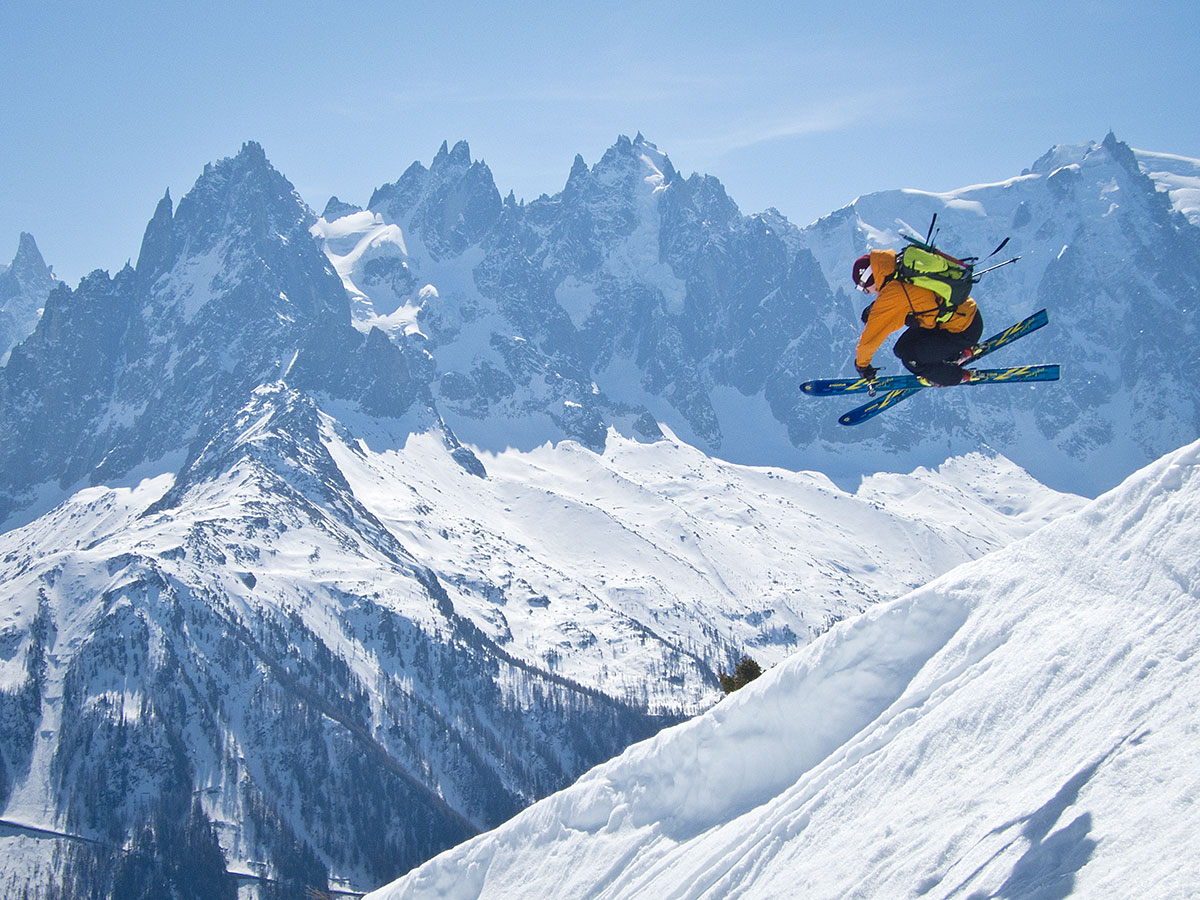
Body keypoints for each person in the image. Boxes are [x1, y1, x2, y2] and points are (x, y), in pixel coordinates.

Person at [851, 249, 983, 386]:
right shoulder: (899, 268)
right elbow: (908, 300)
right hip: (962, 315)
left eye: (865, 289)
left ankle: (958, 376)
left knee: (912, 360)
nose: (869, 293)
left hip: (963, 331)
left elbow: (871, 338)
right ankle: (958, 354)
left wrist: (862, 365)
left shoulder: (892, 295)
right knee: (901, 348)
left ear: (870, 278)